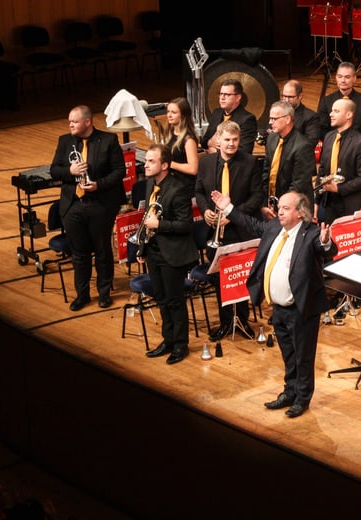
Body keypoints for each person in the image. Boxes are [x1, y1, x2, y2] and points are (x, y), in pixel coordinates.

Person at [211, 190, 336, 418]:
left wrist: (326, 242)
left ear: (300, 213)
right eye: (279, 207)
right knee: (288, 354)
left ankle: (302, 398)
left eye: (286, 208)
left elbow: (326, 248)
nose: (279, 211)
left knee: (303, 357)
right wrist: (228, 208)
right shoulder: (274, 228)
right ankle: (289, 392)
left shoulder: (312, 233)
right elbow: (249, 223)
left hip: (302, 308)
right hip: (278, 308)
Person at [50, 105, 126, 311]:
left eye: (74, 122)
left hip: (100, 205)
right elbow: (54, 170)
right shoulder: (65, 141)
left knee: (102, 251)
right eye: (69, 122)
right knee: (79, 253)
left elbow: (119, 171)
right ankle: (82, 295)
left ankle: (104, 293)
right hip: (74, 205)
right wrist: (70, 170)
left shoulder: (108, 140)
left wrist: (98, 185)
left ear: (87, 122)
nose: (70, 125)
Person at [195, 121, 264, 340]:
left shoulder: (251, 162)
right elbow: (198, 190)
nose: (232, 144)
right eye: (227, 140)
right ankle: (226, 322)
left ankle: (242, 320)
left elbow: (257, 197)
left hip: (239, 229)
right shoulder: (206, 162)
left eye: (235, 139)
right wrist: (206, 210)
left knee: (240, 277)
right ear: (218, 140)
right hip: (213, 230)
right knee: (219, 280)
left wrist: (232, 214)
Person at [137, 144, 197, 365]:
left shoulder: (178, 188)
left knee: (174, 301)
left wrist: (160, 225)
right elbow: (146, 217)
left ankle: (181, 345)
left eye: (151, 161)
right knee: (161, 299)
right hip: (153, 252)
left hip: (173, 254)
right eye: (146, 161)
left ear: (164, 165)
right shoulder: (150, 186)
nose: (146, 164)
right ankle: (168, 340)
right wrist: (142, 248)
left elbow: (186, 225)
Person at [316, 97, 361, 223]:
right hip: (329, 203)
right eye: (332, 111)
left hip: (351, 205)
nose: (331, 114)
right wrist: (316, 201)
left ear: (348, 115)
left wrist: (339, 188)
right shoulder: (329, 137)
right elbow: (322, 171)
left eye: (336, 111)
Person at [262, 100, 315, 220]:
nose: (270, 122)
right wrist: (266, 201)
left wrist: (282, 206)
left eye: (274, 119)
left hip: (295, 207)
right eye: (270, 118)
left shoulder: (303, 145)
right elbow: (266, 171)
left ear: (287, 119)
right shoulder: (271, 138)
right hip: (273, 204)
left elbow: (299, 183)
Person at [317, 62, 361, 142]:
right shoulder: (326, 101)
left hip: (357, 148)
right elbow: (321, 129)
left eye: (347, 77)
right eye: (340, 77)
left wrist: (354, 142)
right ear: (336, 78)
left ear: (354, 78)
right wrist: (336, 141)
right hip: (333, 146)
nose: (343, 80)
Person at [200, 79, 258, 154]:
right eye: (221, 94)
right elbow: (204, 142)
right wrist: (210, 142)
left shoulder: (247, 119)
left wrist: (217, 152)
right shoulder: (216, 113)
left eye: (227, 94)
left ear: (238, 97)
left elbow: (245, 150)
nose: (222, 98)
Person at [159, 97, 199, 178]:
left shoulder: (188, 139)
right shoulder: (169, 133)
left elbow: (193, 169)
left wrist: (170, 163)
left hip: (182, 181)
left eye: (173, 112)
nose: (169, 115)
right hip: (170, 177)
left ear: (183, 115)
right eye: (168, 112)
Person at [281, 79, 321, 146]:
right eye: (284, 96)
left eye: (290, 97)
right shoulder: (277, 112)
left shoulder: (311, 117)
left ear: (300, 96)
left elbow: (310, 142)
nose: (286, 100)